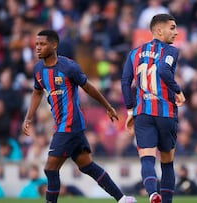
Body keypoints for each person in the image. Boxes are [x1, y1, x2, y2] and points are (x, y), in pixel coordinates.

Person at [22, 29, 136, 203]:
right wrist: (28, 117)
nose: (38, 48)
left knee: (50, 169)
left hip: (69, 124)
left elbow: (88, 87)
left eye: (42, 44)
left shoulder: (68, 67)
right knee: (86, 165)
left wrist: (107, 106)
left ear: (54, 45)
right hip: (62, 124)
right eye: (36, 44)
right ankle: (123, 199)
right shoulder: (38, 69)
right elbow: (37, 92)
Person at [121, 14, 186, 203]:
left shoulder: (134, 53)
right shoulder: (171, 51)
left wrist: (130, 110)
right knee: (167, 162)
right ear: (159, 30)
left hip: (142, 113)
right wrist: (178, 91)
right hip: (166, 112)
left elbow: (125, 82)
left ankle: (152, 193)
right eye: (172, 28)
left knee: (147, 158)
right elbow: (164, 71)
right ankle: (165, 200)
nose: (176, 32)